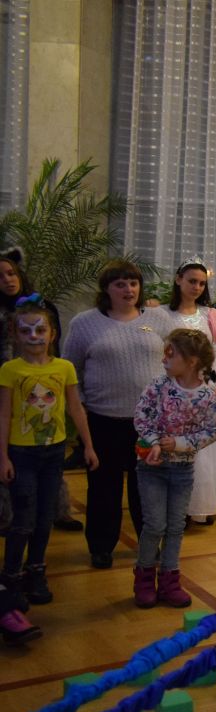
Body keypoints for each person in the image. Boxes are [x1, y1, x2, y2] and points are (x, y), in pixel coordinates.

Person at [62, 261, 174, 569]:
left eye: (133, 283)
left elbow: (174, 362)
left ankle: (149, 544)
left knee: (147, 489)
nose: (128, 289)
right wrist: (80, 406)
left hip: (149, 422)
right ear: (106, 289)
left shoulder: (158, 318)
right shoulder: (85, 323)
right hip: (103, 420)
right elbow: (70, 370)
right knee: (103, 488)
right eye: (120, 284)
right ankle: (101, 547)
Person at [0, 297, 98, 605]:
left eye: (40, 330)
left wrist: (88, 445)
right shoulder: (10, 370)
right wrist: (2, 457)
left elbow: (75, 409)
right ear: (14, 334)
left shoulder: (64, 367)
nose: (34, 337)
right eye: (25, 331)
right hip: (22, 454)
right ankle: (11, 576)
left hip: (53, 453)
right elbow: (4, 415)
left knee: (45, 519)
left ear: (52, 333)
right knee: (23, 518)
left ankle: (36, 570)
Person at [150, 259, 216, 524]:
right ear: (178, 280)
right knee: (176, 449)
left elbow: (215, 350)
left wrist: (207, 383)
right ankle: (175, 509)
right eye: (192, 281)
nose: (197, 287)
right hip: (173, 391)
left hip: (202, 391)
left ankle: (200, 506)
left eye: (202, 283)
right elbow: (157, 350)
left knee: (202, 452)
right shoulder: (161, 314)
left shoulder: (209, 315)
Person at [131, 328, 216, 608]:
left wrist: (180, 443)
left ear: (191, 361)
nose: (164, 359)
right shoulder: (158, 386)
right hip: (152, 469)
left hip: (182, 471)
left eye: (170, 354)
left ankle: (170, 581)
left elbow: (213, 430)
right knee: (154, 525)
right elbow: (141, 416)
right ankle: (144, 578)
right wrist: (154, 443)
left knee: (175, 527)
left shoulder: (207, 396)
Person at [0, 246, 84, 533]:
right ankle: (8, 515)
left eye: (11, 273)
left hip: (40, 389)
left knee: (48, 451)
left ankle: (56, 510)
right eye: (1, 276)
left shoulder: (43, 308)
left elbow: (54, 350)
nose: (8, 280)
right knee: (9, 457)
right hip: (7, 387)